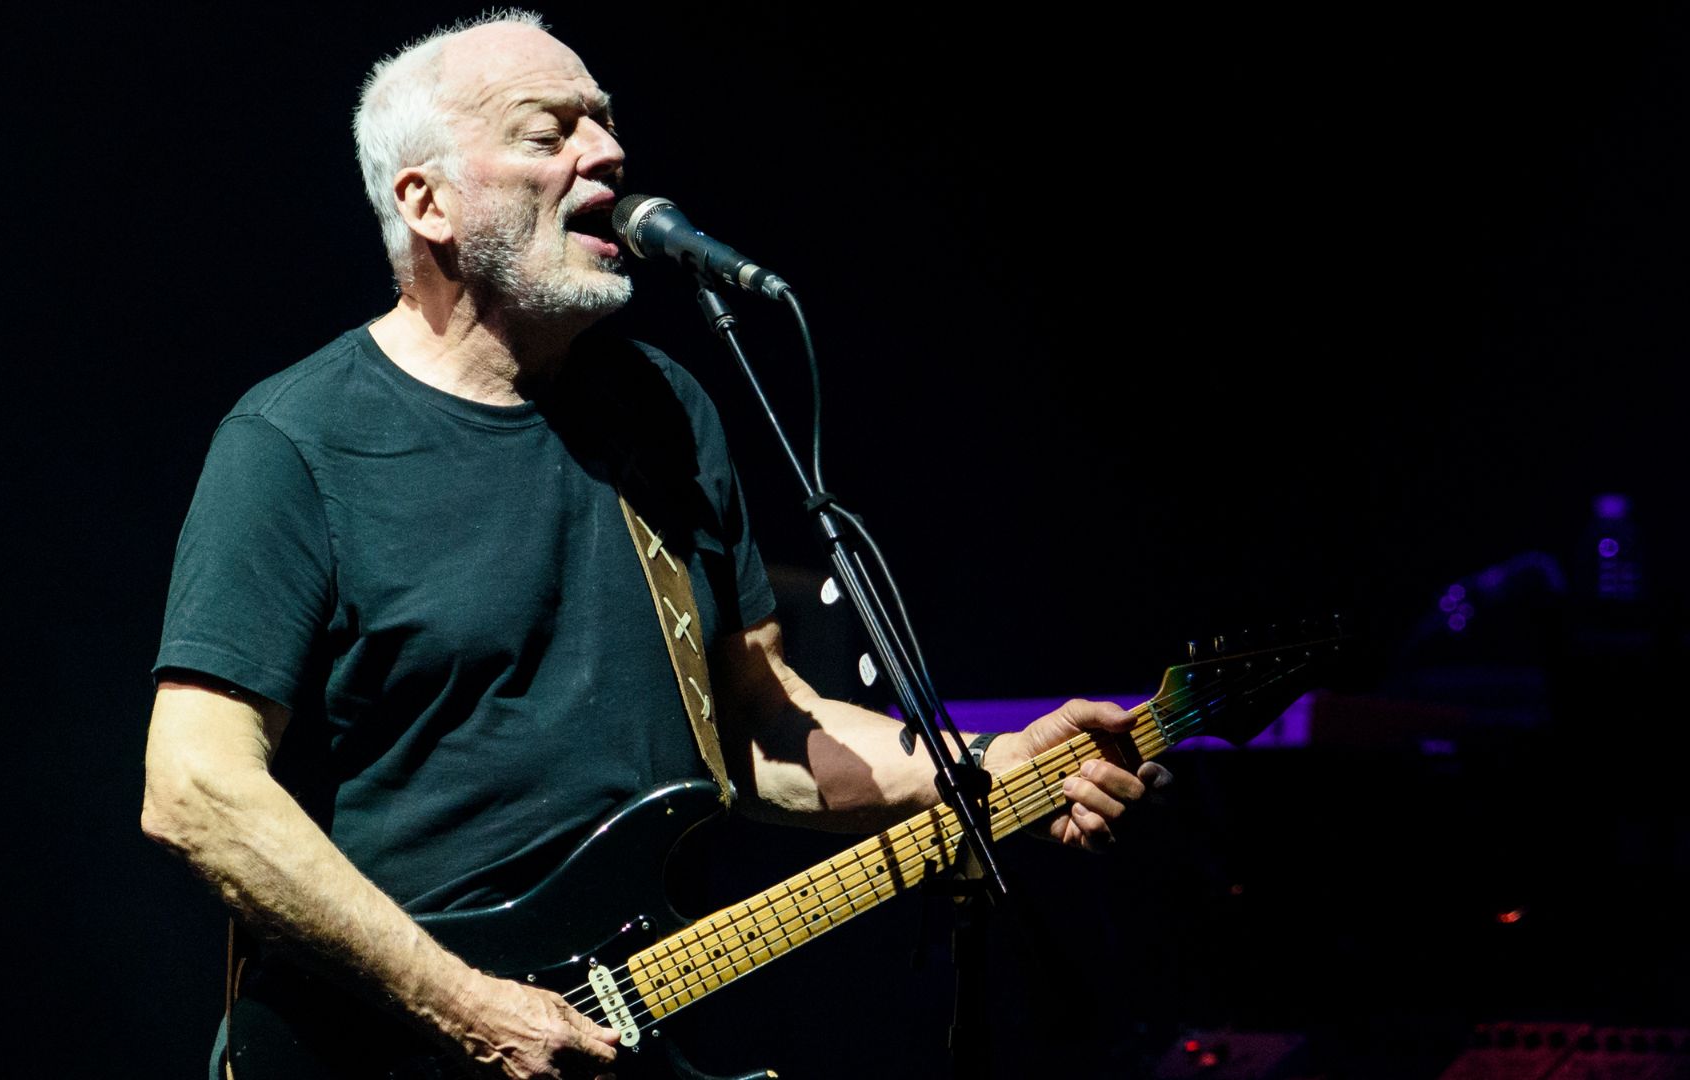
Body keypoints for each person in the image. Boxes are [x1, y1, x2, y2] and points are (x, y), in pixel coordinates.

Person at [141, 12, 1169, 1079]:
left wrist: (987, 772)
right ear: (426, 201)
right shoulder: (294, 445)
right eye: (551, 133)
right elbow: (194, 787)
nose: (608, 155)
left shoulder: (663, 412)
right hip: (378, 1043)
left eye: (606, 125)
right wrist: (463, 1003)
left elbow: (765, 725)